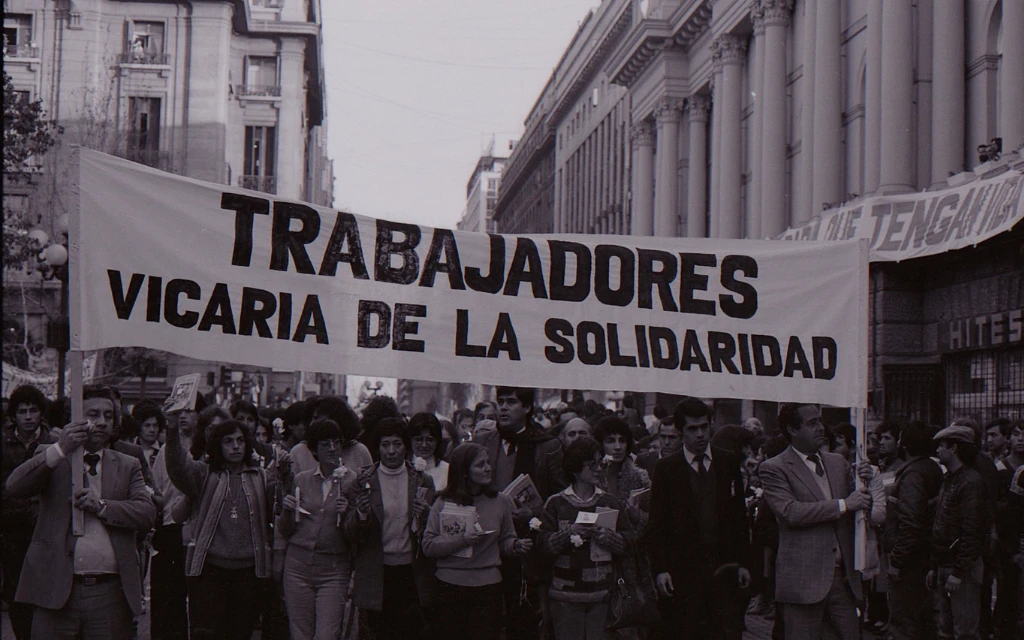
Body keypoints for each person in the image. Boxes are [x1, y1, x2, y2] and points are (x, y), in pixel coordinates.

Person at [5, 385, 156, 639]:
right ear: (75, 418)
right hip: (56, 589)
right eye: (93, 414)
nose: (102, 422)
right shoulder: (52, 456)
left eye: (108, 416)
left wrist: (103, 506)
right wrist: (61, 448)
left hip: (109, 593)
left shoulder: (127, 464)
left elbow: (147, 513)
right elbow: (14, 486)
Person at [758, 402, 874, 640]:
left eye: (820, 421)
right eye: (812, 423)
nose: (821, 427)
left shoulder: (837, 462)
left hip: (843, 579)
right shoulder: (774, 468)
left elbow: (860, 507)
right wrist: (843, 505)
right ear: (792, 429)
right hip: (803, 582)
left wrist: (868, 483)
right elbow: (790, 512)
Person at [165, 415, 277, 640]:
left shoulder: (261, 477)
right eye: (228, 441)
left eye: (240, 440)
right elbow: (178, 467)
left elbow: (279, 509)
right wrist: (172, 429)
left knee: (240, 634)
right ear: (218, 445)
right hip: (210, 572)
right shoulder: (205, 474)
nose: (236, 446)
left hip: (249, 573)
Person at [649, 397, 751, 640]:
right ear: (680, 431)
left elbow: (739, 518)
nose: (700, 434)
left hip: (723, 569)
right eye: (692, 428)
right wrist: (661, 569)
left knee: (726, 631)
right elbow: (658, 523)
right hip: (683, 572)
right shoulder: (667, 468)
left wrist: (744, 563)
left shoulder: (727, 462)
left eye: (704, 426)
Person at [474, 386, 566, 640]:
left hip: (528, 546)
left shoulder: (547, 445)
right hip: (487, 543)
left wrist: (534, 513)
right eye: (501, 402)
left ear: (526, 408)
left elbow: (560, 498)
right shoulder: (484, 440)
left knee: (523, 618)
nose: (503, 407)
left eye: (511, 402)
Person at [423, 442, 532, 640]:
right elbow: (429, 546)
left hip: (487, 588)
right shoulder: (443, 502)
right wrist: (462, 540)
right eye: (480, 464)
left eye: (488, 463)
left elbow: (506, 538)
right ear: (464, 471)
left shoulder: (501, 501)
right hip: (449, 586)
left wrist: (515, 545)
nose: (488, 468)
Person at [344, 417, 435, 640]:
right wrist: (361, 514)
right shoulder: (363, 481)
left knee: (411, 632)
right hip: (377, 571)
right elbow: (350, 533)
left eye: (397, 444)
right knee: (381, 631)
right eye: (385, 445)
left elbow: (431, 531)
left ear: (406, 446)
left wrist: (427, 513)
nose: (391, 451)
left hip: (412, 572)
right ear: (377, 448)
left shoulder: (422, 480)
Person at [538, 436, 633, 640]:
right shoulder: (555, 503)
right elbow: (542, 547)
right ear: (575, 469)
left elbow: (629, 543)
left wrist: (609, 538)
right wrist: (568, 533)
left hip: (603, 596)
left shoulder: (609, 501)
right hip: (565, 597)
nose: (599, 469)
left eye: (600, 463)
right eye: (591, 465)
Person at [277, 418, 359, 640]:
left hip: (334, 569)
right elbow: (286, 531)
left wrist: (349, 513)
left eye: (336, 442)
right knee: (300, 633)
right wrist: (287, 511)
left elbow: (356, 533)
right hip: (297, 567)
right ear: (314, 450)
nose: (332, 448)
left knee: (327, 634)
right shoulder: (301, 480)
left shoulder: (353, 481)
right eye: (325, 444)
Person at [148, 394, 207, 640]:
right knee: (167, 601)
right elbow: (157, 489)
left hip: (201, 533)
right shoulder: (166, 450)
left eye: (189, 410)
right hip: (170, 529)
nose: (183, 416)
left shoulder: (208, 451)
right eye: (179, 411)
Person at [1, 385, 57, 640]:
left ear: (41, 413)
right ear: (14, 415)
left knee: (45, 589)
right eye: (22, 411)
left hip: (44, 526)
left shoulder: (53, 443)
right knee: (15, 591)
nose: (28, 417)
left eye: (33, 411)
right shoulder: (4, 443)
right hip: (11, 529)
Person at [882, 420, 943, 640]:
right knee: (923, 619)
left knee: (904, 621)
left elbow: (910, 521)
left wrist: (897, 561)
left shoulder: (913, 474)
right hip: (923, 554)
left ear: (905, 444)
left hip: (910, 560)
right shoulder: (931, 468)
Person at [929, 424, 987, 640]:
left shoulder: (969, 483)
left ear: (953, 449)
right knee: (947, 629)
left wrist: (958, 572)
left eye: (941, 446)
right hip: (949, 565)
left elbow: (972, 532)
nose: (937, 451)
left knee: (964, 632)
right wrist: (936, 566)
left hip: (960, 569)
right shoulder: (953, 479)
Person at [594, 414, 650, 533]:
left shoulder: (640, 479)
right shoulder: (591, 477)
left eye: (622, 441)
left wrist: (637, 517)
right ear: (600, 444)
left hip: (631, 542)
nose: (618, 447)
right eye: (611, 441)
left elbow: (654, 518)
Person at [410, 412, 450, 491]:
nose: (424, 445)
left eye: (430, 440)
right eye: (419, 439)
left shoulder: (448, 471)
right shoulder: (401, 469)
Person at [131, 401, 164, 469]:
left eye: (155, 425)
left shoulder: (164, 450)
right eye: (147, 425)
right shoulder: (130, 448)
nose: (152, 430)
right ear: (138, 426)